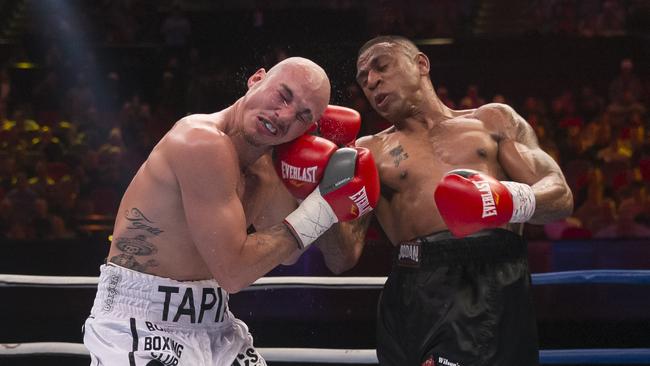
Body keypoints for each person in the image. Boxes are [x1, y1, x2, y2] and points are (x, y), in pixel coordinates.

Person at [83, 57, 379, 366]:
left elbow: (286, 252)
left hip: (214, 322)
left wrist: (322, 179)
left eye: (303, 116)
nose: (285, 115)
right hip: (142, 317)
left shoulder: (268, 167)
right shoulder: (200, 141)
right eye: (284, 94)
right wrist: (323, 207)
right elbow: (234, 272)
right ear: (256, 79)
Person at [340, 36, 574, 366]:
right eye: (363, 80)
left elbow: (560, 195)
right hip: (414, 288)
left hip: (495, 281)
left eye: (381, 67)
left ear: (421, 65)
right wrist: (323, 195)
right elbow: (342, 256)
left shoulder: (493, 121)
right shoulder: (366, 152)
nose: (372, 82)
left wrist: (505, 200)